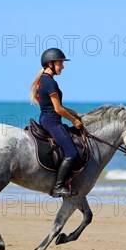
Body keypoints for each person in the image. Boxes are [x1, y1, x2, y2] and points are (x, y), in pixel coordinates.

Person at [30, 48, 83, 197]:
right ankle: (59, 186)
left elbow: (58, 106)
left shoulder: (43, 81)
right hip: (52, 121)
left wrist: (77, 114)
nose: (63, 67)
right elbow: (58, 109)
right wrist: (73, 120)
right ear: (51, 63)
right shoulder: (50, 83)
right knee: (72, 152)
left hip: (47, 118)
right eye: (61, 63)